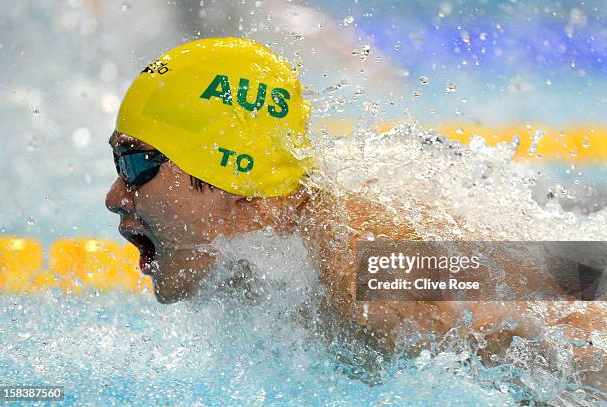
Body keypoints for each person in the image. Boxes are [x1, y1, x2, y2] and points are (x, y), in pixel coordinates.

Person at [106, 38, 604, 386]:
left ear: (240, 189)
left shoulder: (369, 270)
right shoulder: (252, 260)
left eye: (135, 164)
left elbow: (583, 286)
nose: (115, 196)